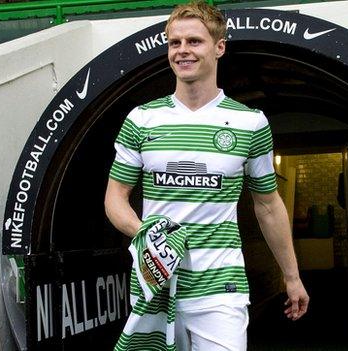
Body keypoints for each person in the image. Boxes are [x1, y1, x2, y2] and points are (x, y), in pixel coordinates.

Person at [105, 2, 309, 350]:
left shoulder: (250, 123)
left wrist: (292, 277)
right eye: (174, 42)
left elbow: (268, 206)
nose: (182, 50)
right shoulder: (141, 119)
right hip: (156, 285)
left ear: (219, 47)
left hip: (220, 289)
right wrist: (146, 235)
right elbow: (115, 198)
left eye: (194, 41)